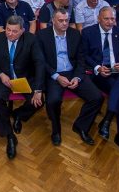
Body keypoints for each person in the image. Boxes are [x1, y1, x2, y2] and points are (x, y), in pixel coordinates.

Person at [37, 8, 104, 146]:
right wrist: (56, 76)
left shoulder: (75, 34)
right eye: (60, 20)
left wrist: (78, 77)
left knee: (97, 97)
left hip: (73, 72)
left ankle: (81, 126)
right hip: (54, 74)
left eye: (66, 20)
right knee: (52, 101)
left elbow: (81, 59)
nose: (64, 23)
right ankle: (56, 129)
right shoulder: (42, 35)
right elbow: (41, 61)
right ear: (53, 21)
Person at [81, 6, 119, 159]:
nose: (110, 22)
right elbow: (84, 55)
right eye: (106, 18)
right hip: (101, 73)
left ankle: (108, 119)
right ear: (99, 19)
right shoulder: (88, 32)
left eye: (112, 19)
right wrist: (98, 67)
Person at [0, 16, 44, 159]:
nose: (10, 33)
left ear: (22, 31)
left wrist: (38, 90)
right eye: (8, 29)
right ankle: (10, 136)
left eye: (14, 31)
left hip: (24, 78)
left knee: (38, 101)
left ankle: (18, 114)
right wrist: (1, 74)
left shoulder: (31, 40)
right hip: (3, 79)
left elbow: (39, 63)